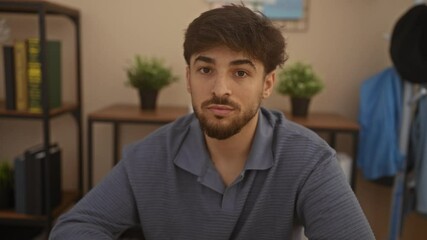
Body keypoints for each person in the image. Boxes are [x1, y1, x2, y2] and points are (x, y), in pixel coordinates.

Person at [50, 4, 375, 240]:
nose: (220, 89)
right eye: (206, 69)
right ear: (189, 77)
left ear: (267, 84)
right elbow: (74, 227)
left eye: (240, 72)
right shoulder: (147, 157)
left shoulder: (308, 160)